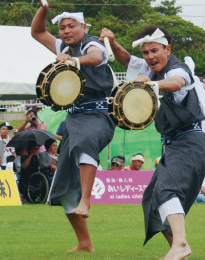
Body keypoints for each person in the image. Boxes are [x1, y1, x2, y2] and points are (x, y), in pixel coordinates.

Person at [100, 26, 205, 260]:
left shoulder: (176, 68)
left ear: (167, 49)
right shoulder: (150, 69)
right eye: (145, 52)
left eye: (154, 50)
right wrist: (112, 40)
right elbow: (126, 60)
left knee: (167, 189)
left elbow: (178, 82)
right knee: (152, 200)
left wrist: (151, 85)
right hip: (175, 145)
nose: (149, 56)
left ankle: (181, 245)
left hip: (191, 141)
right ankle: (178, 249)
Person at [31, 2, 115, 252]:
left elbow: (97, 57)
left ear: (84, 26)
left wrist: (73, 60)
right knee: (64, 189)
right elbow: (37, 32)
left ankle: (86, 200)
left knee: (85, 143)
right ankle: (84, 243)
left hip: (99, 114)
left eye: (71, 26)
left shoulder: (92, 43)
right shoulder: (63, 46)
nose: (66, 30)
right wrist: (44, 10)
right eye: (63, 27)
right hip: (75, 119)